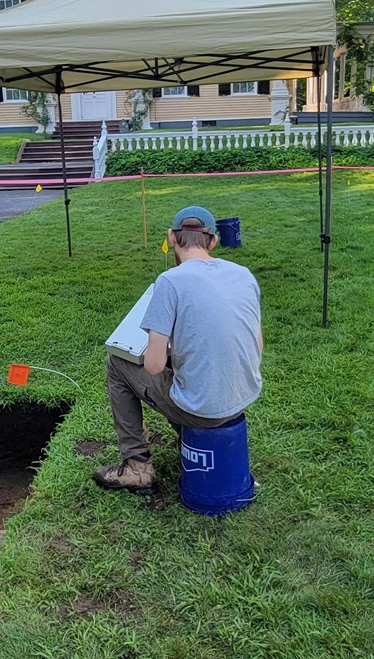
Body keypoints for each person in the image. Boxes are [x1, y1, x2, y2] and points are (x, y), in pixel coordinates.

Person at [93, 205, 263, 495]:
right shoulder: (243, 274)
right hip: (241, 397)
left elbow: (154, 366)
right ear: (214, 241)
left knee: (117, 363)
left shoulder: (170, 281)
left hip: (204, 410)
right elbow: (257, 346)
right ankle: (189, 437)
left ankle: (137, 466)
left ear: (172, 237)